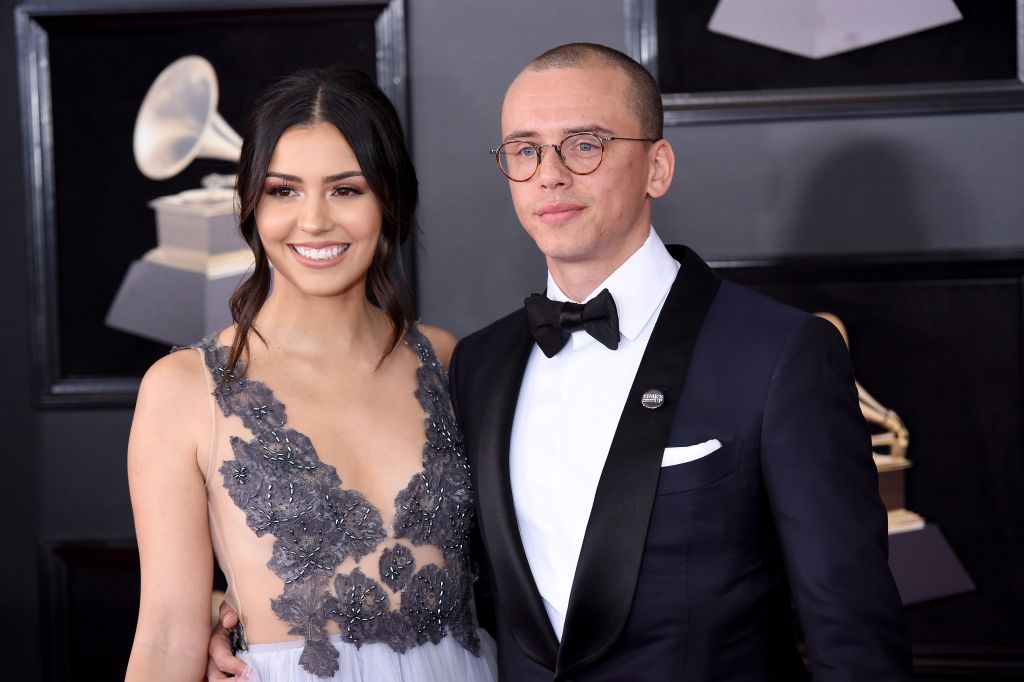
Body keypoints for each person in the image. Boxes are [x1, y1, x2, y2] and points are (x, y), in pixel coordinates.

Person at [211, 44, 911, 680]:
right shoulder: (474, 365)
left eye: (585, 145)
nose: (549, 175)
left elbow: (852, 633)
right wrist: (241, 609)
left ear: (657, 167)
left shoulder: (778, 353)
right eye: (524, 150)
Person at [126, 65, 496, 682]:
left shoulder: (445, 359)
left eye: (346, 190)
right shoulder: (183, 389)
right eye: (284, 190)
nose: (315, 221)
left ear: (389, 198)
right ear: (250, 201)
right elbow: (166, 633)